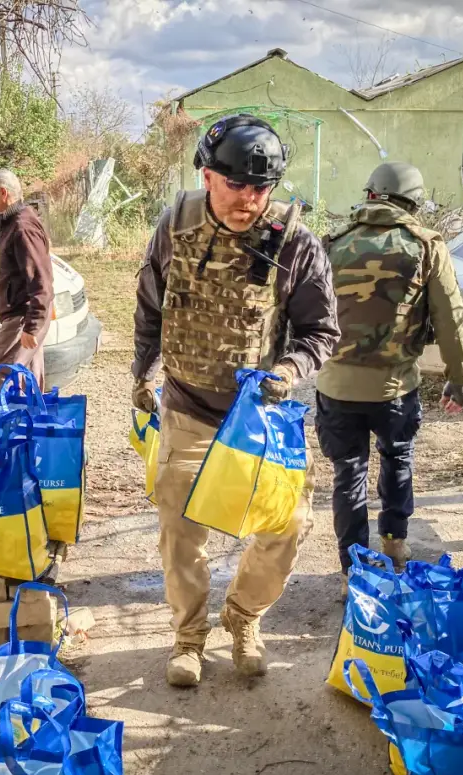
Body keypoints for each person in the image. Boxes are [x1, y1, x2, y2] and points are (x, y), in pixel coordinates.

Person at [132, 114, 340, 688]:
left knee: (286, 526)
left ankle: (244, 619)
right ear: (206, 176)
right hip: (188, 403)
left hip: (259, 414)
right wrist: (143, 375)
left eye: (261, 188)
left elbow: (321, 331)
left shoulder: (295, 243)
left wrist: (290, 369)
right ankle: (188, 637)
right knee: (180, 528)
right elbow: (151, 313)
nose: (249, 199)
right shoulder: (175, 228)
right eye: (236, 185)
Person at [314, 161, 463, 589]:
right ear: (414, 204)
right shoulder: (425, 246)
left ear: (370, 194)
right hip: (395, 388)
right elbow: (451, 317)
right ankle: (394, 542)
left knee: (348, 474)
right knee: (397, 457)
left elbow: (304, 311)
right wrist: (460, 376)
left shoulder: (330, 243)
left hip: (336, 385)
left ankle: (354, 567)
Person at [0, 169, 53, 392]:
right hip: (25, 312)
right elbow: (17, 273)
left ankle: (7, 426)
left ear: (3, 193)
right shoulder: (12, 221)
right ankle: (27, 425)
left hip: (24, 314)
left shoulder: (22, 227)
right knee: (27, 379)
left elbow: (41, 279)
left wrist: (32, 326)